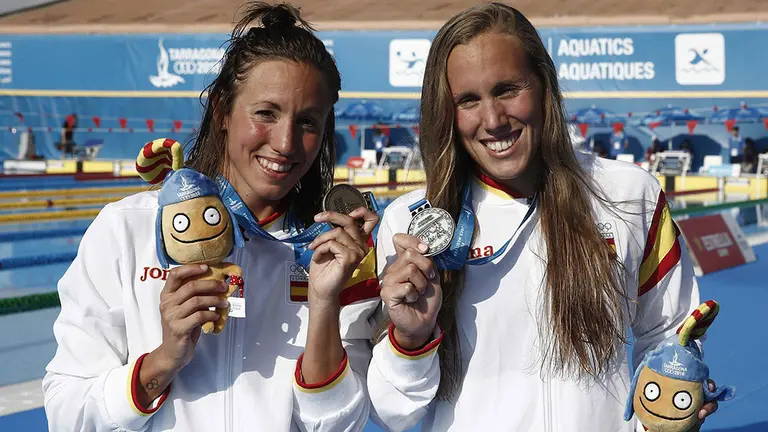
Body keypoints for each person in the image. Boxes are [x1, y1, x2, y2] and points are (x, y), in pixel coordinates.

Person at [366, 4, 719, 431]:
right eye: (469, 100)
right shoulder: (411, 224)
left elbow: (668, 332)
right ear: (447, 111)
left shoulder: (630, 195)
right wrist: (410, 340)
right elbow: (394, 413)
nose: (493, 120)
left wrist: (659, 416)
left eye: (508, 89)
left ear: (544, 85)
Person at [43, 3, 380, 431]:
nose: (285, 142)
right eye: (266, 113)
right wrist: (164, 359)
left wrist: (325, 305)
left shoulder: (336, 253)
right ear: (222, 109)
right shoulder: (127, 229)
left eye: (308, 121)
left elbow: (339, 424)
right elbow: (67, 412)